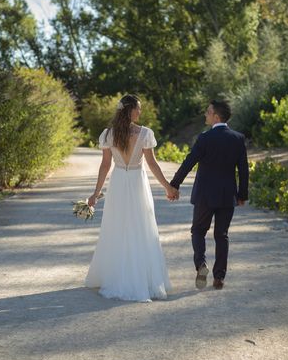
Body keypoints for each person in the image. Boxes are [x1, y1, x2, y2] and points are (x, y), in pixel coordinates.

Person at [84, 94, 176, 302]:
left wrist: (96, 194)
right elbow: (152, 164)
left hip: (118, 182)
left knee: (116, 227)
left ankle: (115, 275)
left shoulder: (108, 134)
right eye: (138, 108)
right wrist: (168, 187)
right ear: (130, 110)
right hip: (136, 182)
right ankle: (141, 278)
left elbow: (106, 166)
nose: (140, 112)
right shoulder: (144, 133)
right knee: (141, 226)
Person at [169, 100, 249, 290]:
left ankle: (201, 265)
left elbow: (189, 162)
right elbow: (244, 170)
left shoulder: (205, 138)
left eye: (208, 112)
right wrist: (242, 195)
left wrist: (174, 185)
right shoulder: (238, 138)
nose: (205, 115)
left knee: (198, 231)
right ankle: (219, 277)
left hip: (205, 194)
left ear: (216, 116)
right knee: (222, 235)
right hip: (227, 195)